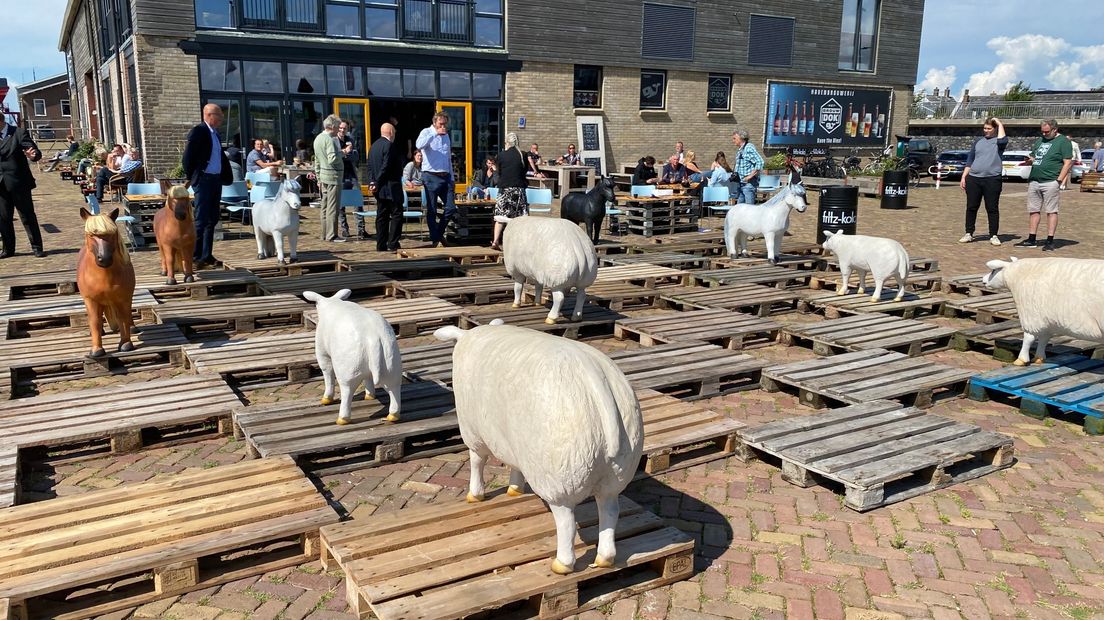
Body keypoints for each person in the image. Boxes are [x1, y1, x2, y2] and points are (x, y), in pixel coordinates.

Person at [182, 103, 233, 267]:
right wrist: (193, 176)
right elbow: (188, 157)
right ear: (210, 115)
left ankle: (207, 255)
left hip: (215, 180)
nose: (222, 119)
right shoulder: (199, 131)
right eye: (220, 116)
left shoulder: (216, 135)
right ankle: (196, 256)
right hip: (203, 180)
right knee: (201, 219)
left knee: (212, 218)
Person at [1014, 119, 1073, 252]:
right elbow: (1035, 157)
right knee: (1033, 210)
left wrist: (1059, 180)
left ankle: (1050, 240)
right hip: (1035, 180)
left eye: (1047, 132)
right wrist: (1030, 161)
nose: (1044, 134)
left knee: (1051, 210)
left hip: (1051, 180)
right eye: (1042, 131)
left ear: (1054, 130)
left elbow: (1067, 162)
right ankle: (1032, 238)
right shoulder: (1040, 140)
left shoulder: (1063, 142)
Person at [958, 117, 1007, 246]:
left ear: (995, 129)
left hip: (992, 179)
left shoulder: (999, 142)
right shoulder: (978, 142)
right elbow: (970, 160)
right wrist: (964, 177)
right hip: (974, 178)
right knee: (971, 207)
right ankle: (969, 233)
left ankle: (993, 235)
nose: (986, 131)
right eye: (984, 128)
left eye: (989, 128)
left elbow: (1003, 139)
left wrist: (999, 123)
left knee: (992, 208)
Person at [0, 121, 45, 258]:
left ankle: (37, 247)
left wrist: (33, 156)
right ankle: (8, 249)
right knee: (3, 218)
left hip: (18, 183)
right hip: (1, 185)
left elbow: (34, 151)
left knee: (27, 216)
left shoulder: (18, 133)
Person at [415, 112, 457, 247]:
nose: (443, 126)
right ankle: (435, 239)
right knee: (432, 210)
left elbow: (448, 158)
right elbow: (419, 144)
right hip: (431, 176)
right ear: (435, 122)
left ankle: (438, 234)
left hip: (445, 177)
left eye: (445, 124)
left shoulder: (447, 136)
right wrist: (435, 134)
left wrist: (452, 177)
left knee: (451, 207)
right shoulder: (427, 132)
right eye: (441, 124)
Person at [366, 122, 405, 252]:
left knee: (381, 215)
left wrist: (373, 182)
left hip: (380, 188)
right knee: (396, 214)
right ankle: (393, 243)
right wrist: (377, 181)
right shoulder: (389, 146)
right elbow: (386, 166)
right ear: (391, 133)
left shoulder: (373, 146)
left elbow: (370, 167)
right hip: (391, 186)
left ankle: (380, 244)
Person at [492, 132, 529, 250]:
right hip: (518, 189)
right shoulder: (522, 155)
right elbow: (524, 172)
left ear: (507, 143)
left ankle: (495, 242)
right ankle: (519, 244)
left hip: (504, 189)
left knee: (500, 217)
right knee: (519, 218)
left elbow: (499, 173)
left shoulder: (501, 155)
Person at [313, 114, 346, 243]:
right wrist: (342, 153)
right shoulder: (329, 140)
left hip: (324, 177)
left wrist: (319, 178)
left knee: (325, 207)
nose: (339, 129)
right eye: (338, 127)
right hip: (333, 177)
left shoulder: (317, 139)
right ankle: (332, 235)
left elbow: (316, 161)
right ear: (332, 126)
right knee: (333, 207)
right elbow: (332, 159)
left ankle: (324, 234)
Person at [337, 120, 364, 239]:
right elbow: (335, 158)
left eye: (345, 128)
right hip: (340, 176)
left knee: (357, 201)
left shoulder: (350, 139)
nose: (343, 130)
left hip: (352, 174)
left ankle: (361, 229)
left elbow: (356, 156)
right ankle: (344, 229)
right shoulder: (334, 141)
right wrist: (346, 153)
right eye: (340, 128)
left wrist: (346, 154)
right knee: (341, 203)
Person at [731, 130, 764, 204]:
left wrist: (749, 177)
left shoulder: (748, 148)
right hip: (741, 183)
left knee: (749, 209)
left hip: (748, 185)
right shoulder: (741, 149)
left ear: (741, 138)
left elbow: (760, 162)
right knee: (740, 209)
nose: (733, 141)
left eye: (734, 138)